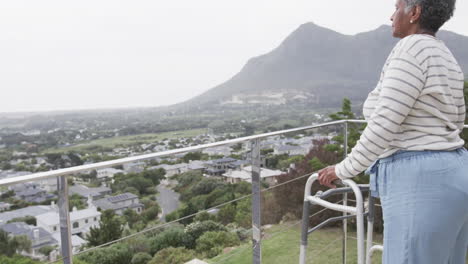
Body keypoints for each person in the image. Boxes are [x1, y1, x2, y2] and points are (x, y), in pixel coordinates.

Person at [317, 0, 467, 263]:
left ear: (414, 13)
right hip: (455, 174)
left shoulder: (411, 48)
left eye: (397, 7)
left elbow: (385, 122)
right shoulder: (445, 55)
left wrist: (344, 169)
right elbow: (456, 120)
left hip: (420, 182)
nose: (391, 16)